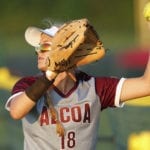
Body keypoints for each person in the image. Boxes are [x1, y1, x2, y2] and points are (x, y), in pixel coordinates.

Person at [5, 20, 150, 150]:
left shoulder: (94, 88)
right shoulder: (28, 84)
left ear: (67, 52)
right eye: (38, 47)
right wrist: (50, 75)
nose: (38, 52)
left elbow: (146, 85)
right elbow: (16, 112)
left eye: (45, 47)